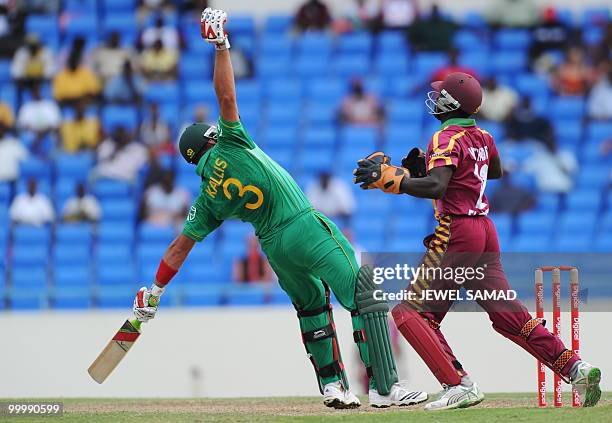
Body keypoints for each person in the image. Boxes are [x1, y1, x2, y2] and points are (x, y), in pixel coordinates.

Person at [131, 8, 427, 409]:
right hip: (301, 224)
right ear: (212, 140)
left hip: (274, 247)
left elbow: (179, 247)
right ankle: (386, 388)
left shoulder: (205, 200)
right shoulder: (232, 143)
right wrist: (221, 44)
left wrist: (155, 290)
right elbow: (227, 96)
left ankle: (334, 387)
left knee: (311, 308)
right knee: (364, 293)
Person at [353, 72, 601, 410]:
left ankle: (458, 384)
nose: (436, 100)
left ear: (452, 103)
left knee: (410, 313)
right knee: (507, 315)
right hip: (484, 231)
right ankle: (575, 368)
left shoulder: (445, 137)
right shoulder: (482, 135)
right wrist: (426, 169)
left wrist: (394, 181)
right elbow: (492, 171)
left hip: (457, 231)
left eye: (441, 96)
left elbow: (438, 188)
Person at [0, 117, 28, 183]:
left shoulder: (14, 143)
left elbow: (25, 158)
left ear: (5, 130)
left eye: (1, 129)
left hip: (11, 181)